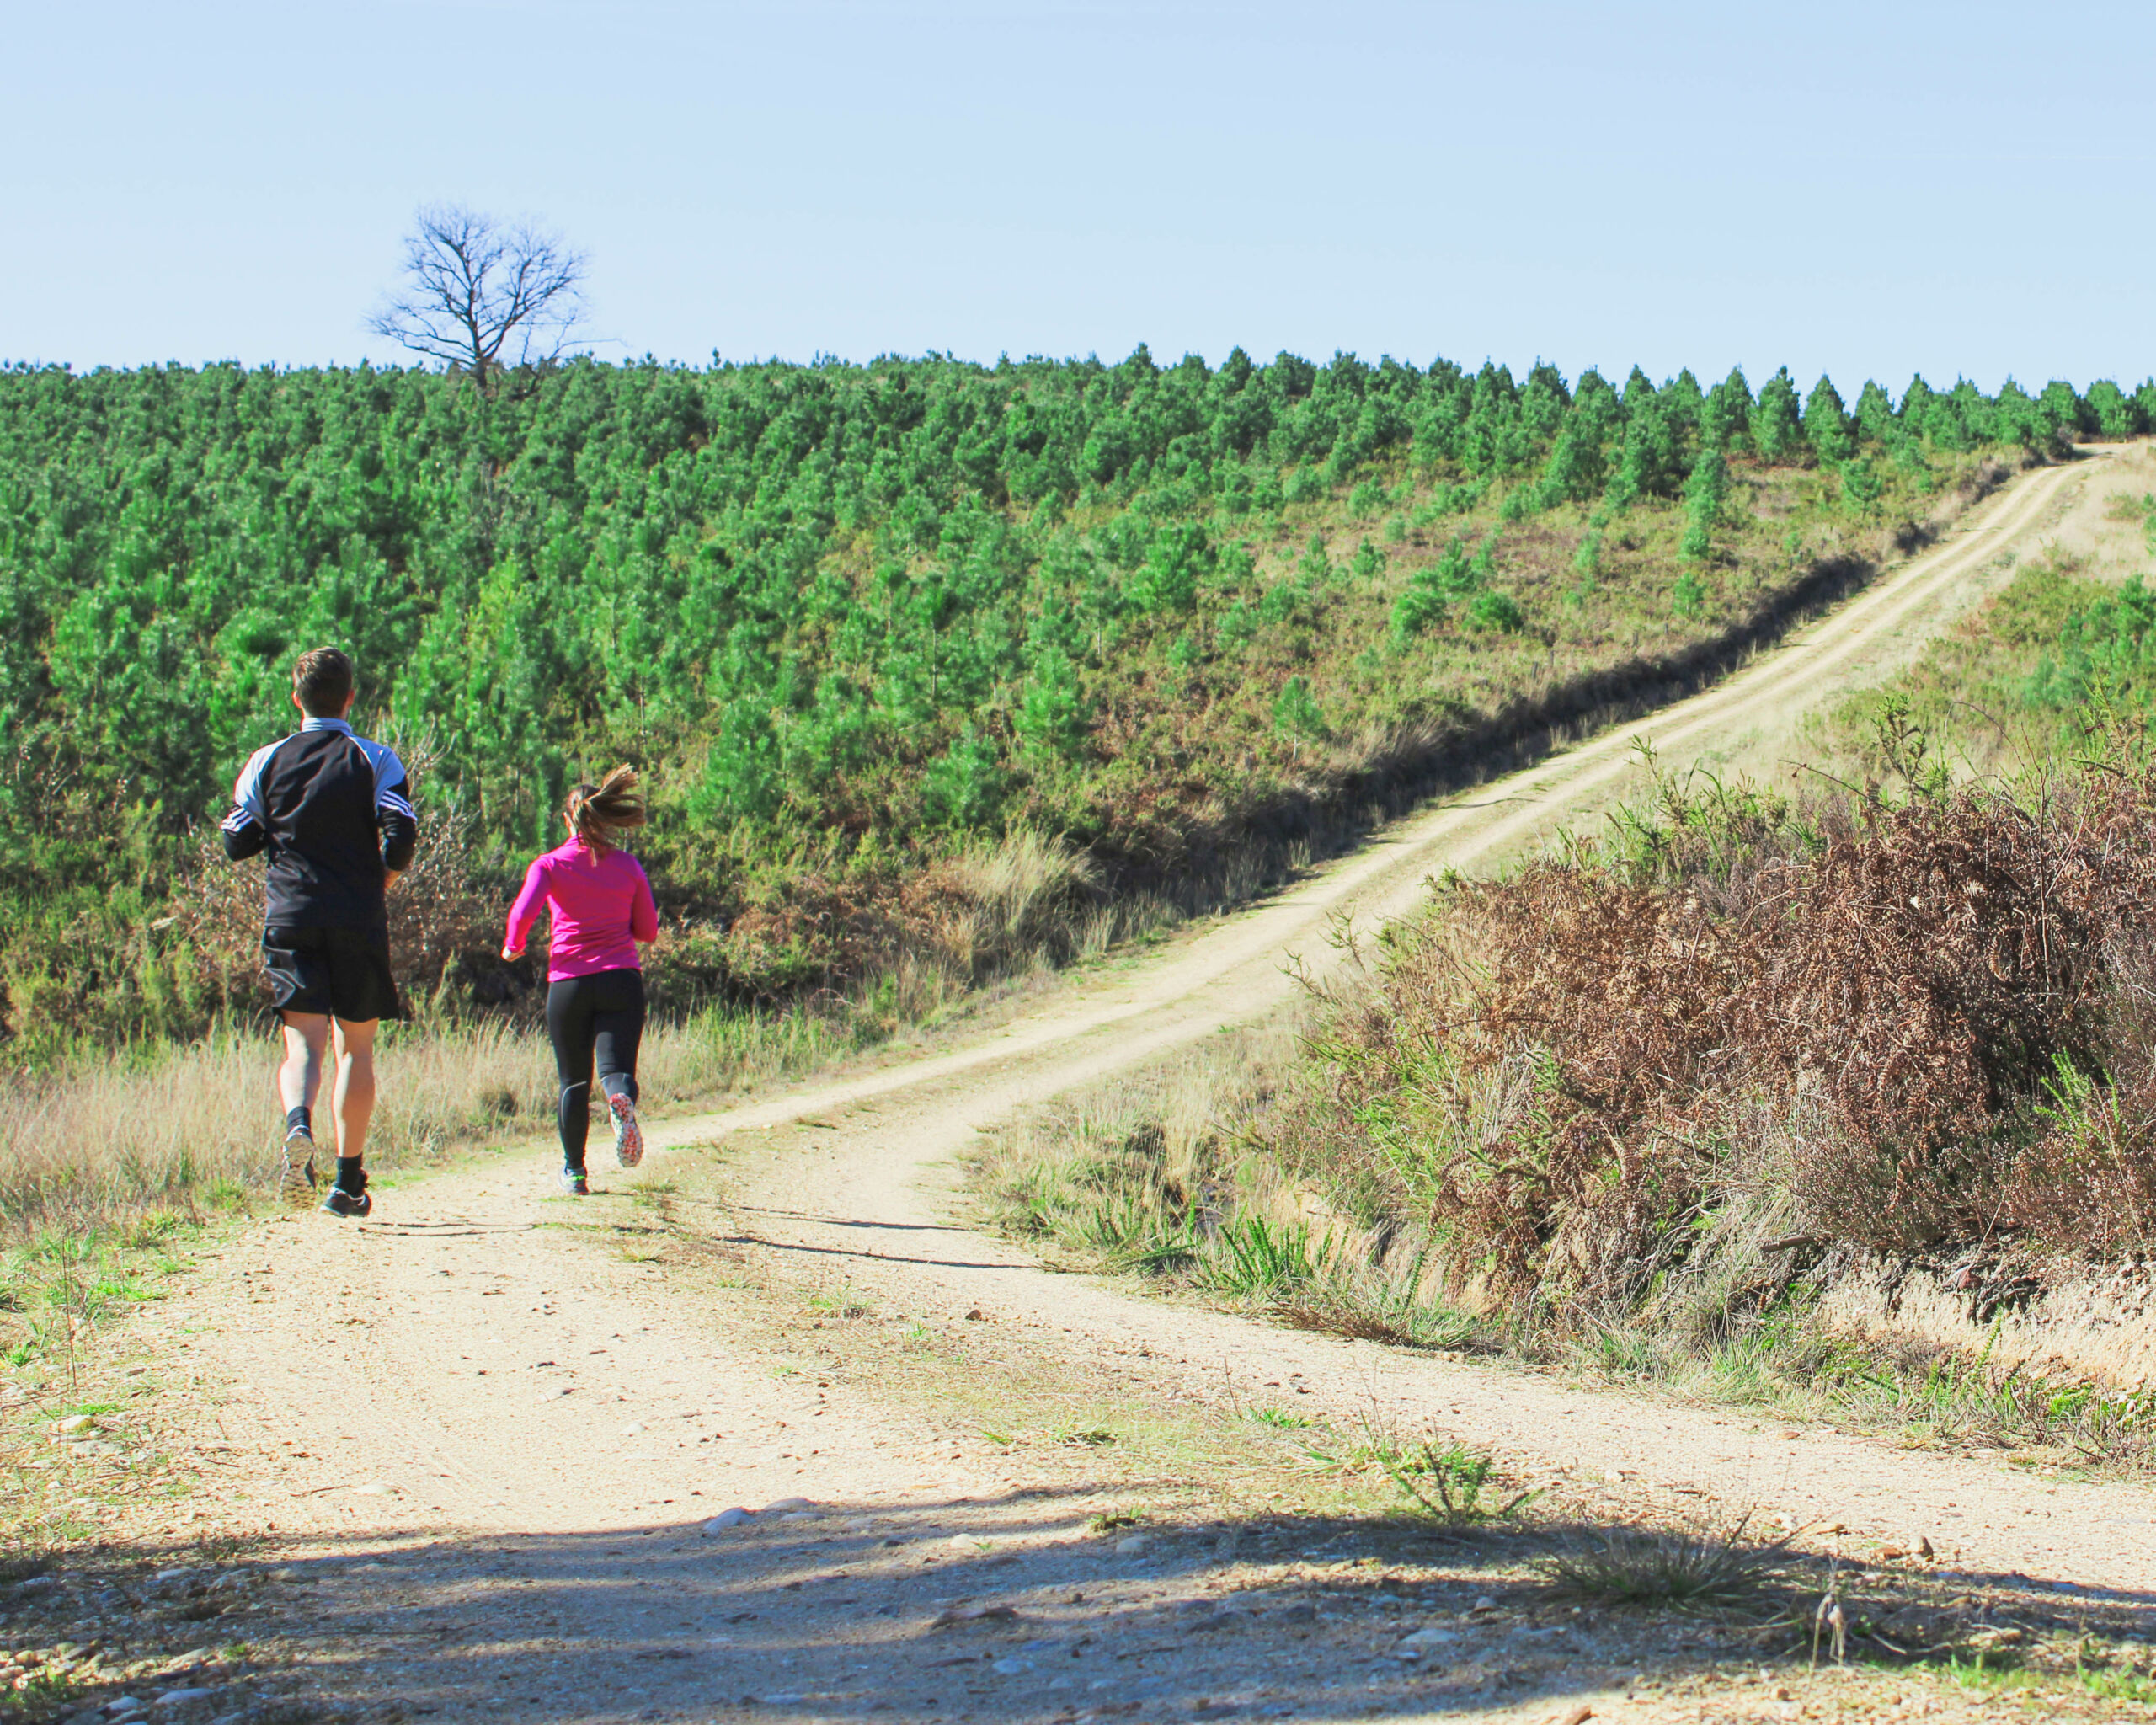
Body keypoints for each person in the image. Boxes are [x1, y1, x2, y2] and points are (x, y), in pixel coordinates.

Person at [220, 647, 416, 1220]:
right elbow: (401, 833)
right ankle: (347, 1183)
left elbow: (235, 840)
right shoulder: (374, 758)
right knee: (355, 1046)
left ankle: (298, 1126)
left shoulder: (266, 760)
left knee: (302, 1043)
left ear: (296, 698)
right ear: (350, 697)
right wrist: (382, 878)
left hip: (291, 915)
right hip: (357, 915)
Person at [501, 767, 658, 1195]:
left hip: (569, 983)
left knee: (573, 1079)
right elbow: (648, 931)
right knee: (615, 1069)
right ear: (605, 819)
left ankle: (574, 1172)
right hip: (621, 979)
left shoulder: (550, 864)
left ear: (567, 819)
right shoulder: (627, 865)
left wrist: (513, 945)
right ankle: (619, 1100)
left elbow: (522, 913)